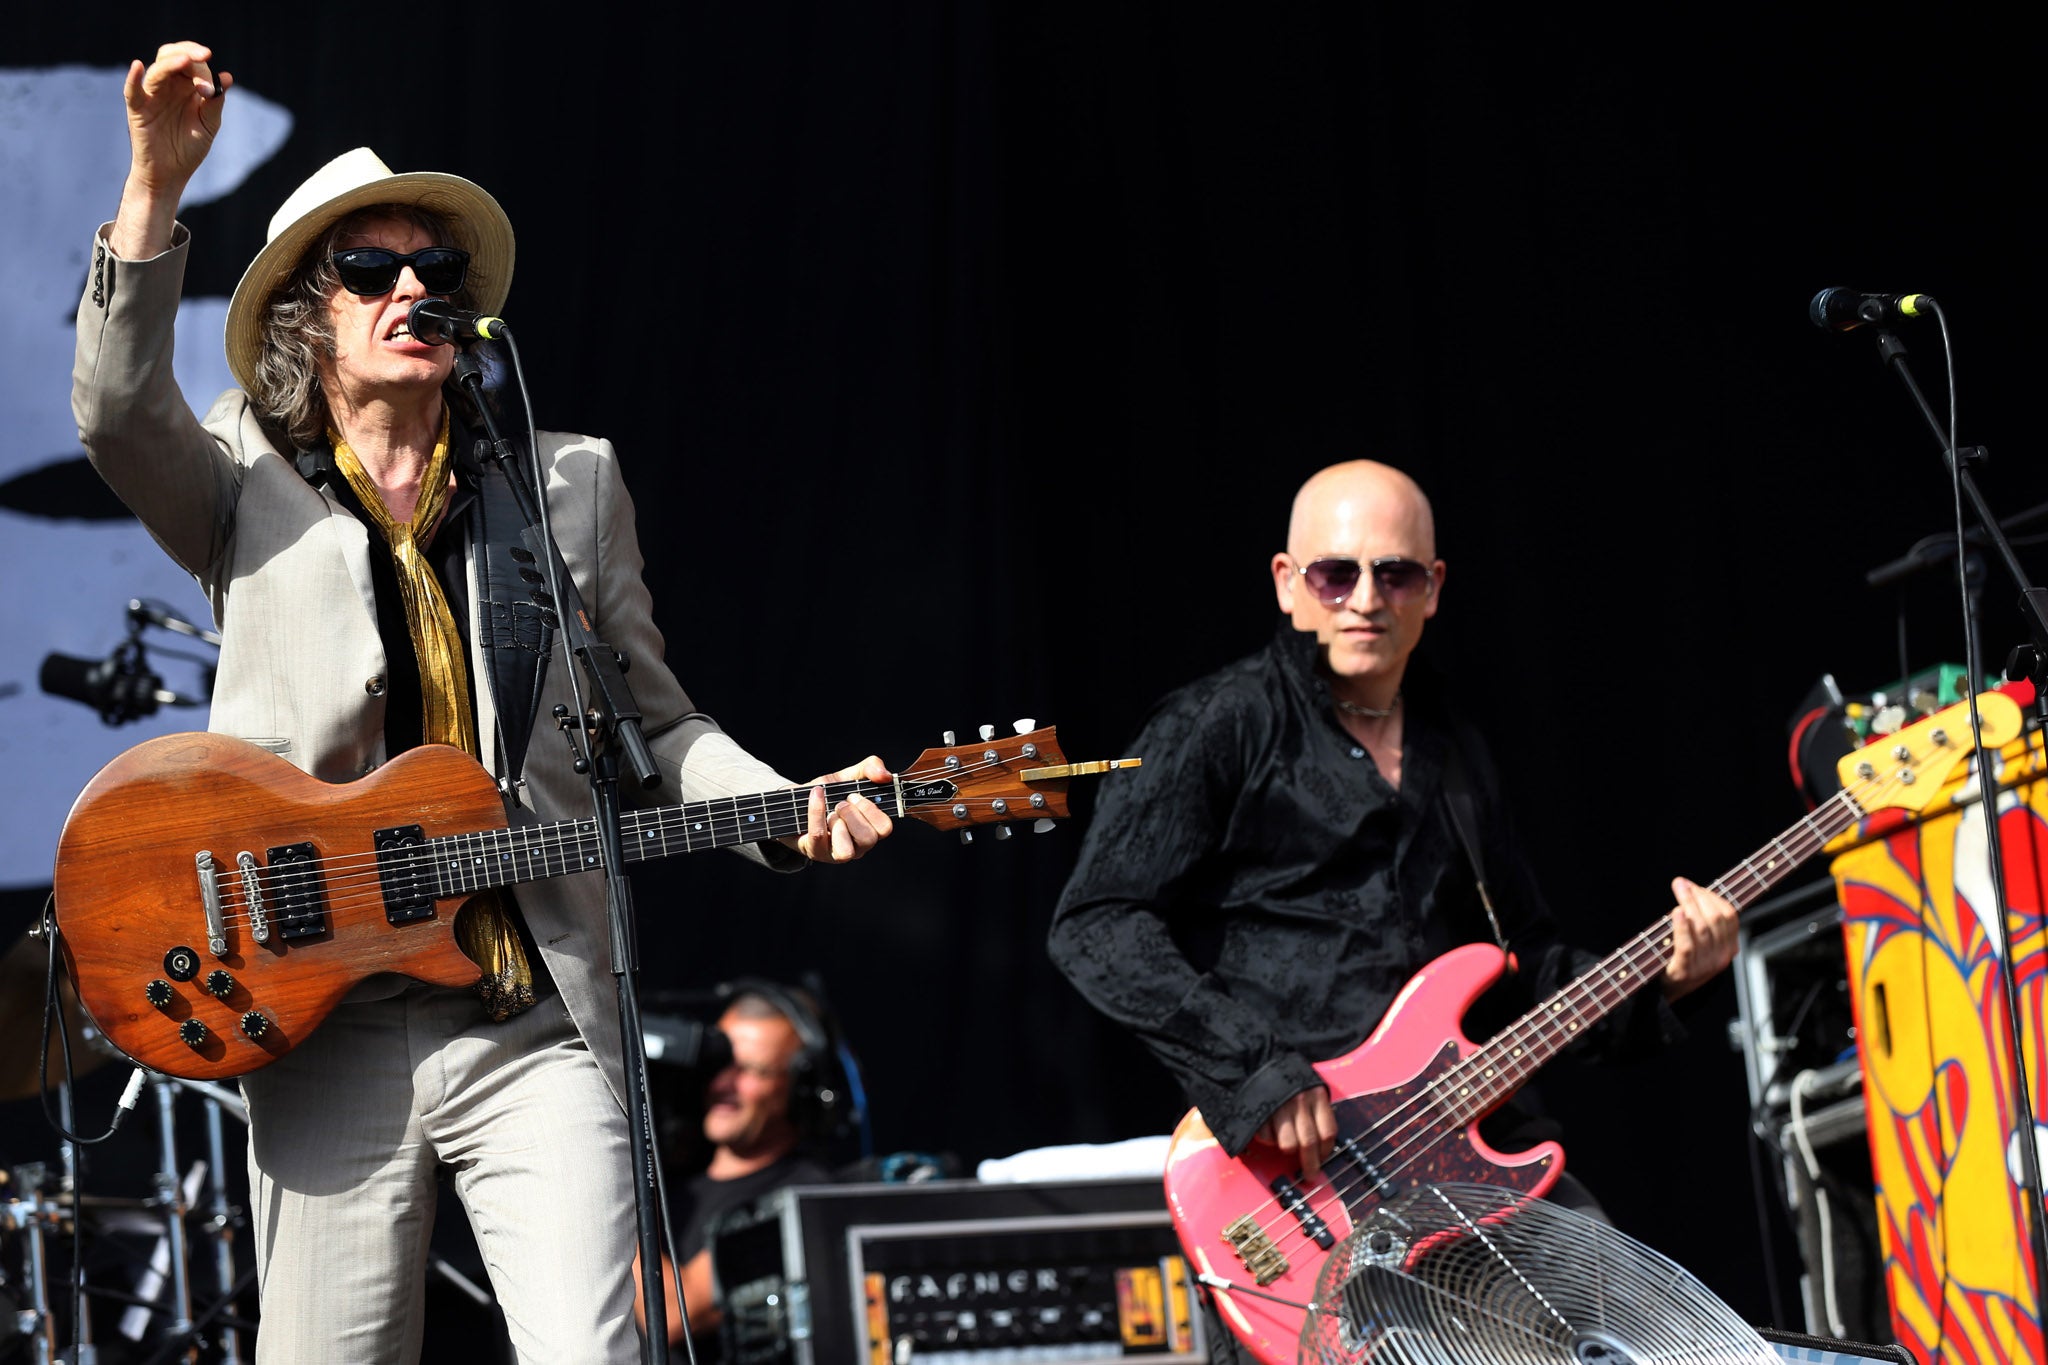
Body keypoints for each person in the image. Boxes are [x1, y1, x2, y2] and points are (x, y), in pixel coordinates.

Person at [74, 41, 895, 1363]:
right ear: (307, 314)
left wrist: (789, 806)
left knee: (599, 1347)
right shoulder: (243, 474)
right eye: (372, 270)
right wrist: (156, 190)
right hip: (326, 1020)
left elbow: (659, 729)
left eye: (435, 271)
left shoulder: (566, 485)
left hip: (530, 1009)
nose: (412, 289)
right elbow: (114, 411)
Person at [1046, 460, 1740, 1188]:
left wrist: (1669, 978)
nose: (1366, 599)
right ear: (1287, 582)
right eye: (1334, 575)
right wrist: (1254, 1071)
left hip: (1471, 1150)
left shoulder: (1457, 750)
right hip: (1307, 1184)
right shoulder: (1218, 724)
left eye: (1396, 574)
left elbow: (1524, 969)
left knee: (1637, 1303)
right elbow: (1097, 924)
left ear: (1434, 586)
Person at [635, 984, 843, 1354]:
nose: (723, 1084)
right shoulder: (672, 1179)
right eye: (718, 1064)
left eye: (751, 1070)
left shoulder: (804, 1200)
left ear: (799, 1087)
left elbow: (669, 1316)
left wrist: (606, 1188)